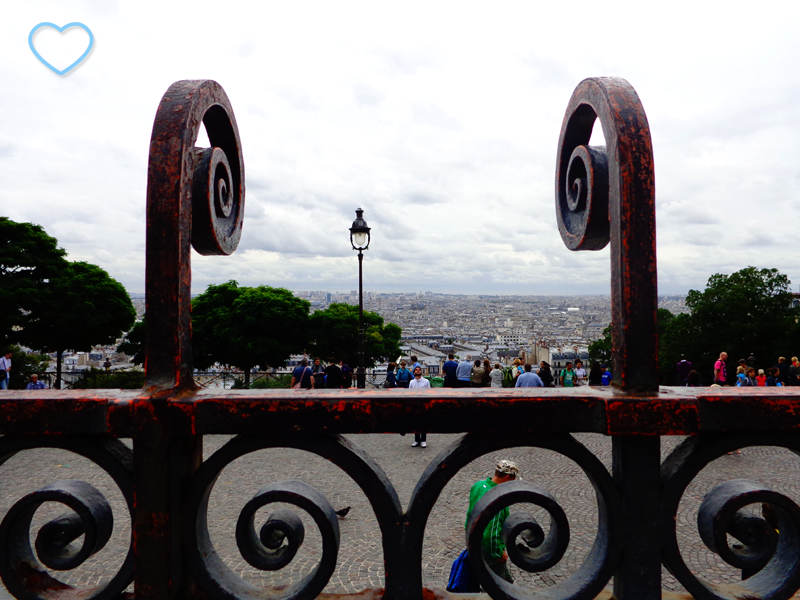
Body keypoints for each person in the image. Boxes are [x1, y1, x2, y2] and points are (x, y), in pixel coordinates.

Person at [465, 460, 521, 584]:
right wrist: (498, 554)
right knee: (496, 587)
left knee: (507, 581)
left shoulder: (478, 486)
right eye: (513, 480)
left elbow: (470, 514)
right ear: (507, 477)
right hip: (488, 550)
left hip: (474, 542)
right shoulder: (498, 501)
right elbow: (491, 533)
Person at [408, 366, 430, 447]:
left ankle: (423, 440)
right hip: (414, 404)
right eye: (416, 370)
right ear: (414, 372)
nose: (418, 371)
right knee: (415, 422)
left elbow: (429, 392)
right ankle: (417, 440)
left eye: (419, 370)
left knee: (423, 422)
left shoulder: (426, 381)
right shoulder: (411, 382)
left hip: (423, 403)